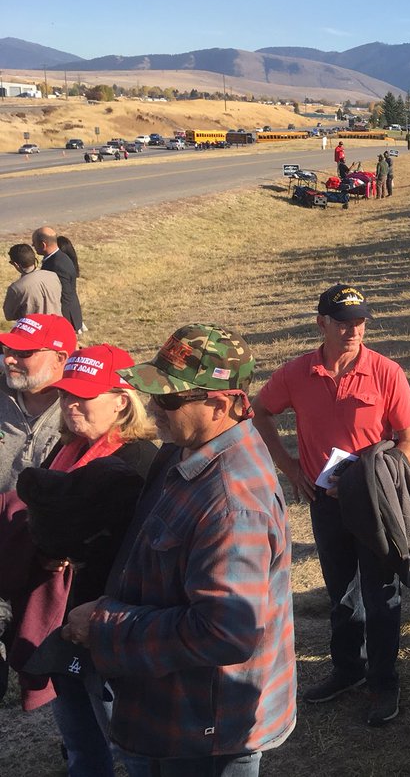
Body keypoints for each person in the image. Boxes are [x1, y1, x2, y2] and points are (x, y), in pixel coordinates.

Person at [63, 324, 296, 776]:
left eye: (168, 399)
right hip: (174, 712)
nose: (152, 406)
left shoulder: (232, 505)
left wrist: (105, 624)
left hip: (205, 735)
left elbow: (225, 633)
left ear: (219, 403)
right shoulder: (188, 450)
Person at [253, 284, 410, 727]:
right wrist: (290, 468)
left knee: (382, 592)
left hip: (374, 505)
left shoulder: (387, 372)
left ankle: (384, 682)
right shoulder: (296, 373)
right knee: (342, 592)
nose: (354, 330)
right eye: (344, 322)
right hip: (324, 505)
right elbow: (259, 411)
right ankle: (349, 670)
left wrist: (374, 477)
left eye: (361, 322)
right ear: (321, 324)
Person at [27, 344, 159, 777]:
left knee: (132, 745)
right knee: (81, 745)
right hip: (62, 620)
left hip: (110, 625)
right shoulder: (64, 452)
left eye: (84, 395)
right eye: (66, 394)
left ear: (122, 401)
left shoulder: (139, 464)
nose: (70, 404)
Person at [1, 314, 76, 492]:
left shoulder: (81, 413)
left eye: (24, 352)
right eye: (8, 349)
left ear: (59, 358)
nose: (9, 359)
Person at [32, 227, 83, 332]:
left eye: (34, 243)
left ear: (43, 245)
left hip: (64, 317)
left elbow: (63, 294)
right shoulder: (59, 258)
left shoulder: (56, 265)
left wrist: (60, 322)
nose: (33, 246)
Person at [5, 243, 62, 320]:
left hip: (34, 329)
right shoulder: (53, 276)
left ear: (16, 264)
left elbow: (9, 315)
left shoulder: (16, 288)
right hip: (56, 326)